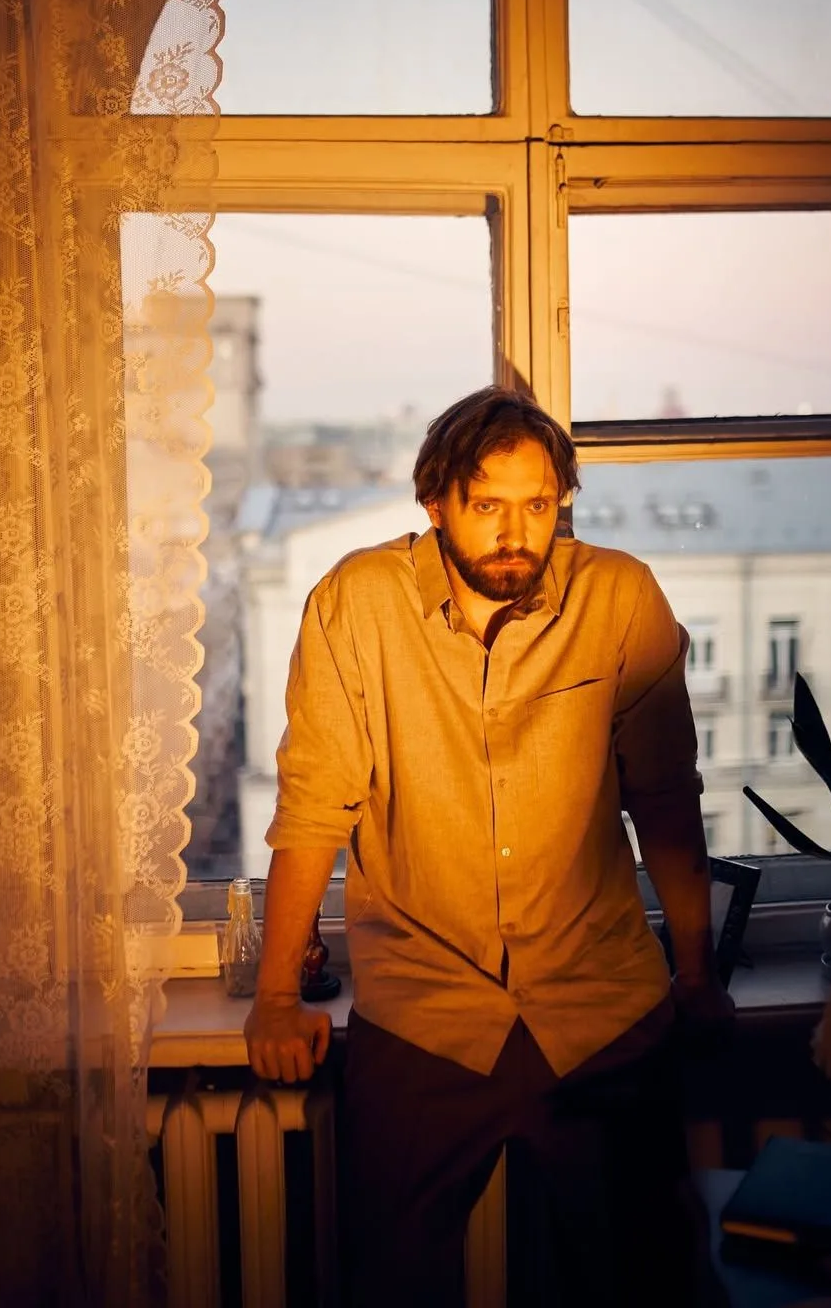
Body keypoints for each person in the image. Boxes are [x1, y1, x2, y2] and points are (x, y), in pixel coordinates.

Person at [245, 386, 734, 1306]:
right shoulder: (356, 603)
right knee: (386, 1285)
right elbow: (313, 808)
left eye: (538, 504)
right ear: (435, 503)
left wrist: (698, 975)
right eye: (487, 505)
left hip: (602, 1011)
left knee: (650, 1282)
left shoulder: (619, 596)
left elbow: (667, 799)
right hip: (424, 1013)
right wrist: (275, 998)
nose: (517, 533)